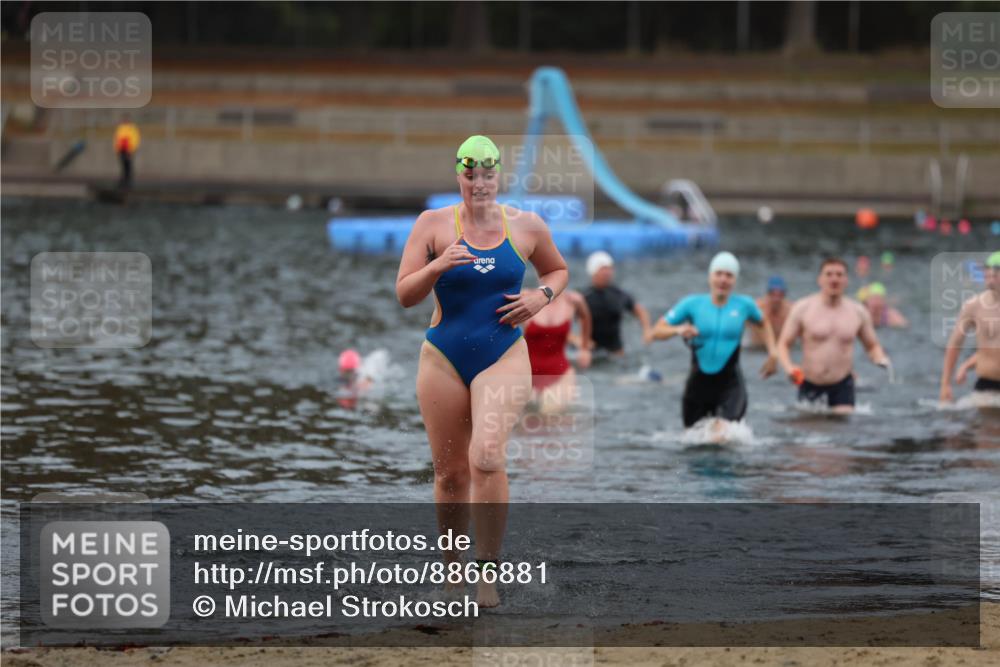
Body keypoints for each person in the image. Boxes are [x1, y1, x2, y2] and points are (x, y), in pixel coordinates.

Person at [396, 135, 568, 607]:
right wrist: (438, 267)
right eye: (470, 174)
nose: (479, 183)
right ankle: (454, 575)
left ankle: (487, 572)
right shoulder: (432, 225)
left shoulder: (525, 226)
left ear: (499, 176)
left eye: (487, 174)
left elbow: (557, 271)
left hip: (504, 354)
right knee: (450, 474)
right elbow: (405, 295)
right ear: (459, 175)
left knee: (487, 455)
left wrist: (540, 297)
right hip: (443, 357)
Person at [652, 251, 778, 431]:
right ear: (710, 277)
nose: (723, 280)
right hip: (697, 388)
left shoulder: (744, 305)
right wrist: (678, 329)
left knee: (723, 435)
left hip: (731, 387)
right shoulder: (692, 304)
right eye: (718, 274)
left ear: (735, 280)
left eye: (729, 275)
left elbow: (763, 323)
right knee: (695, 441)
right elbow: (657, 330)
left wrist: (773, 352)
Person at [777, 258, 891, 414]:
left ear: (846, 280)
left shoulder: (858, 312)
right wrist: (789, 368)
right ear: (820, 279)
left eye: (839, 274)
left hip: (842, 383)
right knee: (807, 432)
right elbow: (783, 344)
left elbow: (872, 345)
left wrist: (879, 358)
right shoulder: (803, 308)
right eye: (829, 274)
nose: (834, 279)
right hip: (810, 382)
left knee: (843, 429)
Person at [940, 252, 1000, 402]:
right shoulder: (973, 306)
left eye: (996, 270)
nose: (990, 274)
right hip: (987, 387)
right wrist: (945, 384)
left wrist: (966, 365)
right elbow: (954, 344)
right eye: (987, 269)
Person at [524, 289, 593, 413]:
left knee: (550, 415)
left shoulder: (573, 300)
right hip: (528, 373)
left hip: (560, 372)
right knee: (522, 422)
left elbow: (585, 317)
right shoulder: (527, 297)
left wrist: (584, 348)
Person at [582, 251, 653, 356]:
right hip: (590, 352)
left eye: (609, 269)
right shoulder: (583, 297)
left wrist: (647, 330)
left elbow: (640, 311)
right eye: (603, 269)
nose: (607, 273)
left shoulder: (619, 294)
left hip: (616, 351)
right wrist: (577, 339)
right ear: (593, 271)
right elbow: (563, 320)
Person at [747, 275, 792, 348]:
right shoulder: (756, 308)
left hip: (780, 348)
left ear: (784, 295)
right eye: (773, 294)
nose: (776, 299)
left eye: (780, 295)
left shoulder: (790, 311)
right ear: (767, 294)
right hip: (756, 349)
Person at [113, 114, 140, 190]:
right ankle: (123, 181)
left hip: (128, 149)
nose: (125, 120)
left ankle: (128, 181)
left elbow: (135, 139)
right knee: (123, 165)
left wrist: (131, 149)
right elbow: (117, 139)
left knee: (128, 165)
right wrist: (117, 149)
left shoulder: (132, 128)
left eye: (126, 119)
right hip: (121, 149)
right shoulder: (120, 128)